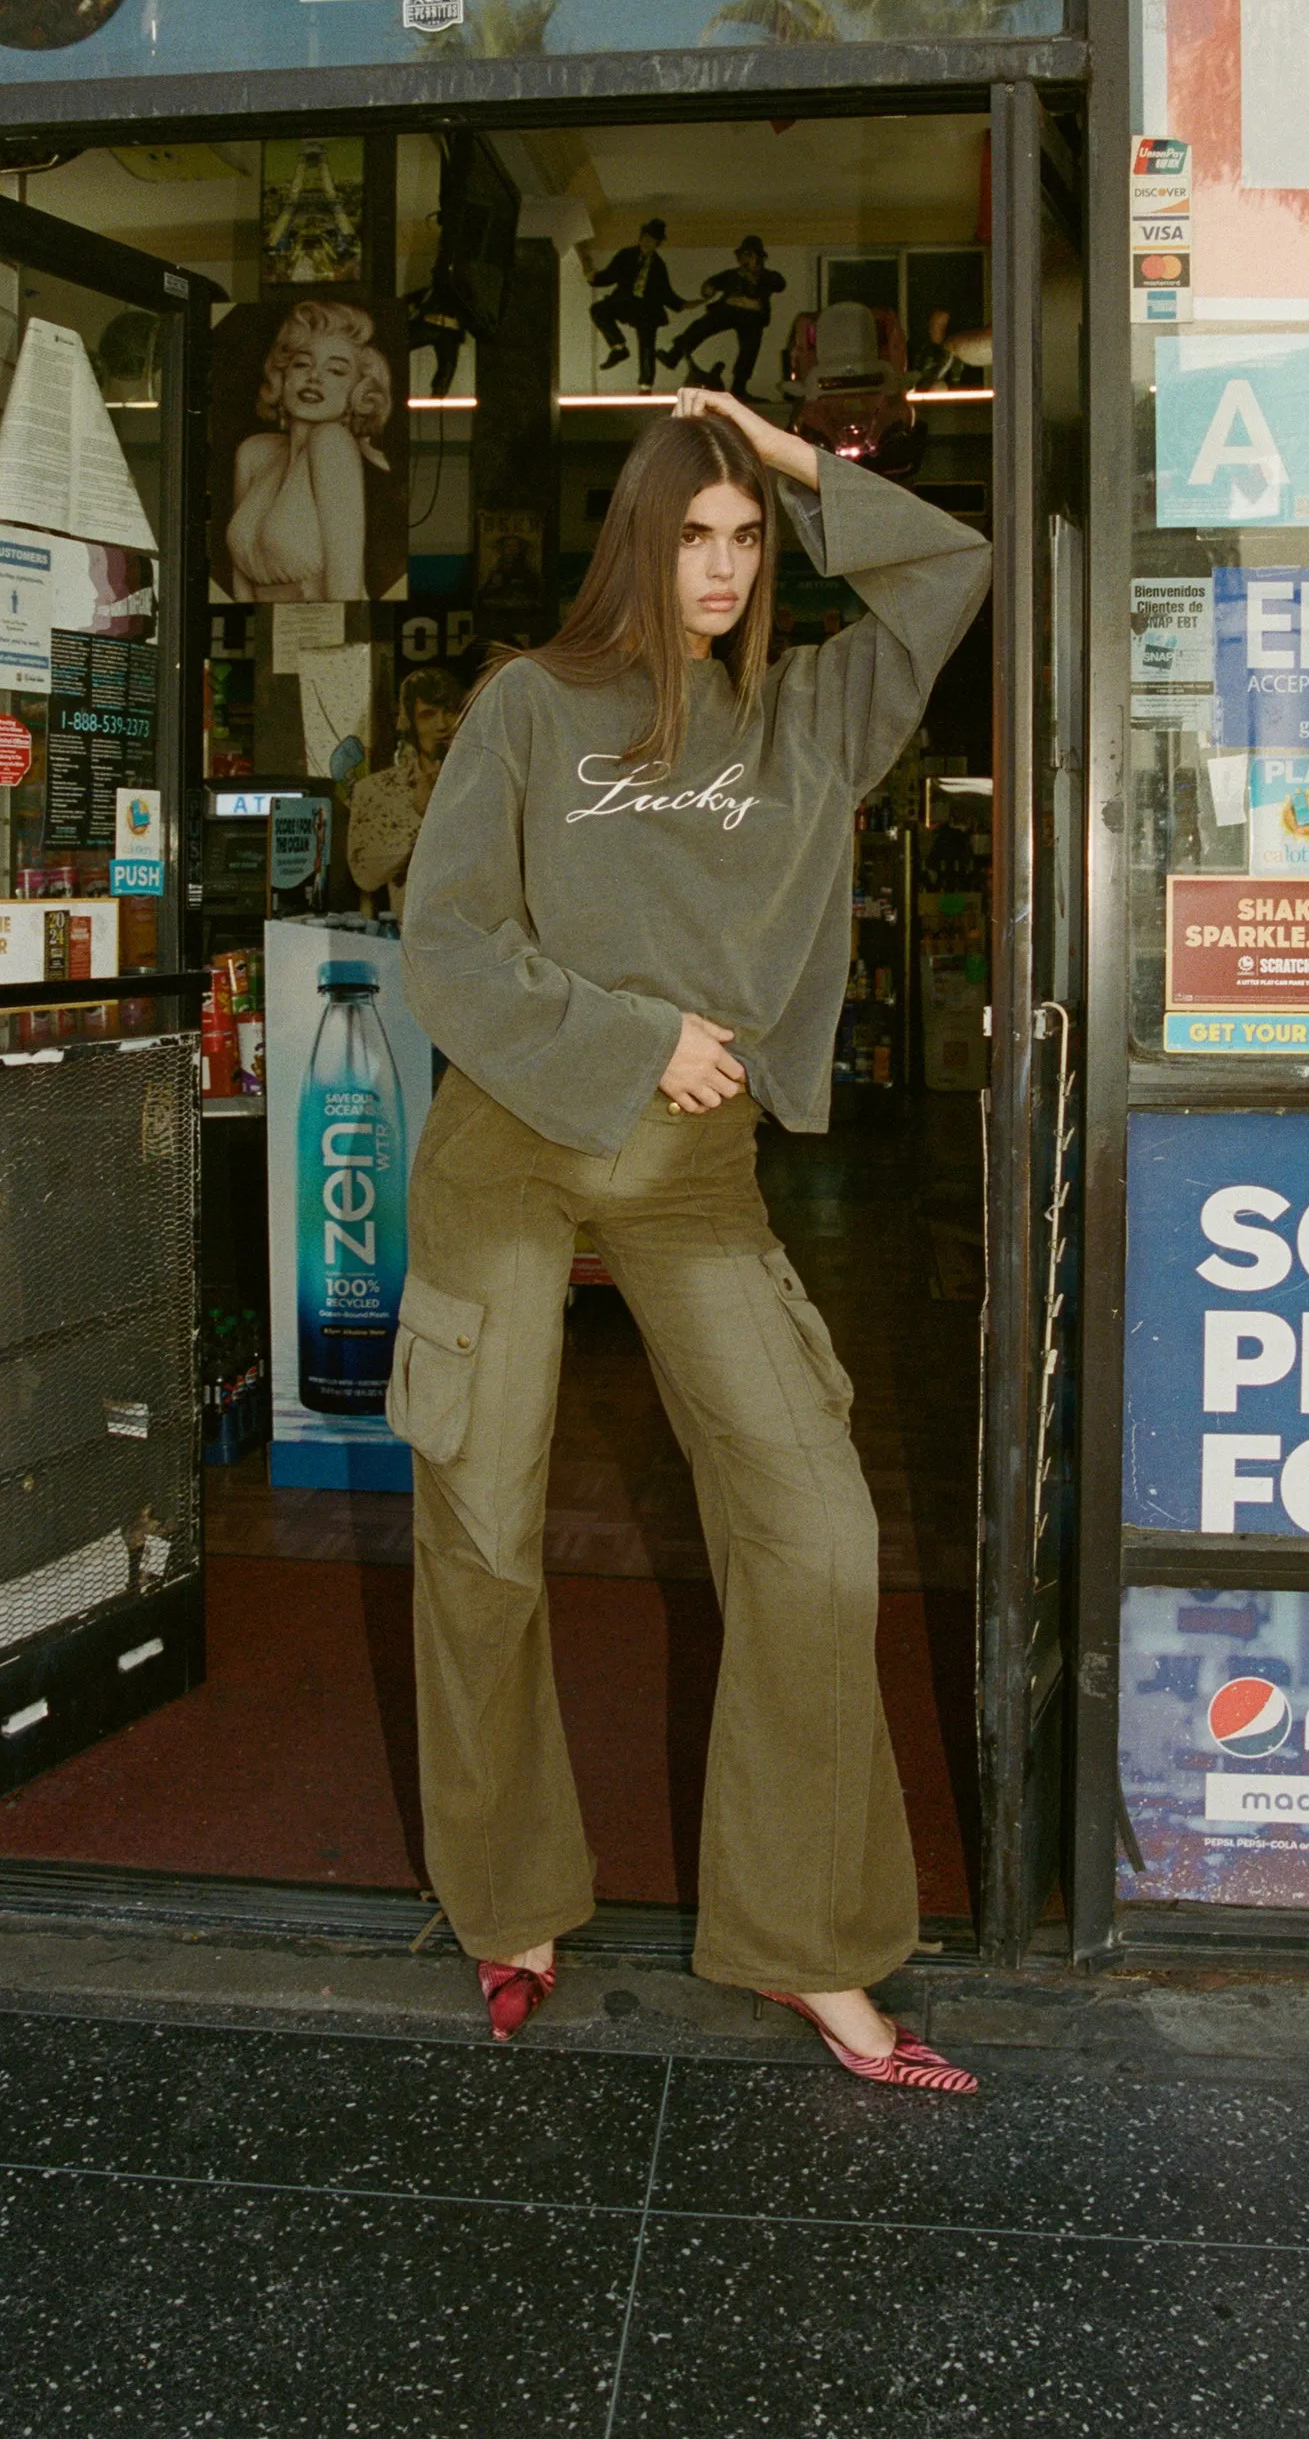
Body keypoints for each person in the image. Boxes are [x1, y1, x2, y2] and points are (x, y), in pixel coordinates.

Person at [395, 387, 992, 2091]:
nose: (720, 566)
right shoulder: (531, 704)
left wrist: (793, 457)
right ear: (635, 541)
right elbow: (448, 938)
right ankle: (507, 1903)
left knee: (816, 1528)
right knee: (484, 1526)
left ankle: (810, 1943)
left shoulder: (809, 717)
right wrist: (635, 1032)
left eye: (744, 536)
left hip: (694, 1175)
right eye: (693, 532)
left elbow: (948, 568)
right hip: (508, 1149)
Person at [227, 297, 393, 602]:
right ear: (283, 376)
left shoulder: (332, 443)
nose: (314, 376)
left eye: (336, 370)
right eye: (302, 363)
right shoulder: (254, 452)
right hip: (268, 632)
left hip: (322, 632)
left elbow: (346, 586)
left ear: (360, 391)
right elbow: (239, 577)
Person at [346, 668, 466, 914]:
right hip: (408, 934)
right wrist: (419, 817)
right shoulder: (376, 790)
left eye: (451, 712)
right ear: (409, 722)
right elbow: (365, 875)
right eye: (428, 715)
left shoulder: (487, 781)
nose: (442, 725)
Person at [662, 233, 788, 399]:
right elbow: (711, 285)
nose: (745, 259)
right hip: (727, 310)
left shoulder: (768, 276)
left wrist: (754, 276)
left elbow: (780, 284)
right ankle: (675, 354)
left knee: (750, 348)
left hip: (752, 316)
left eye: (750, 255)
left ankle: (739, 387)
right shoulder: (732, 274)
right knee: (702, 326)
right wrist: (708, 289)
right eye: (744, 255)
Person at [582, 217, 688, 391]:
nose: (647, 242)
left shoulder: (659, 265)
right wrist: (594, 278)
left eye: (652, 240)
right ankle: (619, 347)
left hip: (647, 309)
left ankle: (645, 386)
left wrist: (682, 304)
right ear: (640, 238)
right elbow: (610, 275)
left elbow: (665, 292)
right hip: (625, 302)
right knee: (599, 309)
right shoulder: (626, 255)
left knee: (647, 345)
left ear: (657, 243)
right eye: (645, 238)